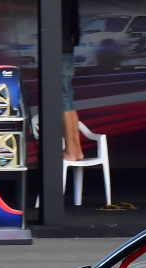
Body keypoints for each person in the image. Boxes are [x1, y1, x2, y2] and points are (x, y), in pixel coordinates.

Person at [62, 0, 83, 161]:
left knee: (63, 103)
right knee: (67, 102)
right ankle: (76, 149)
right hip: (67, 52)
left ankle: (70, 150)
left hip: (58, 52)